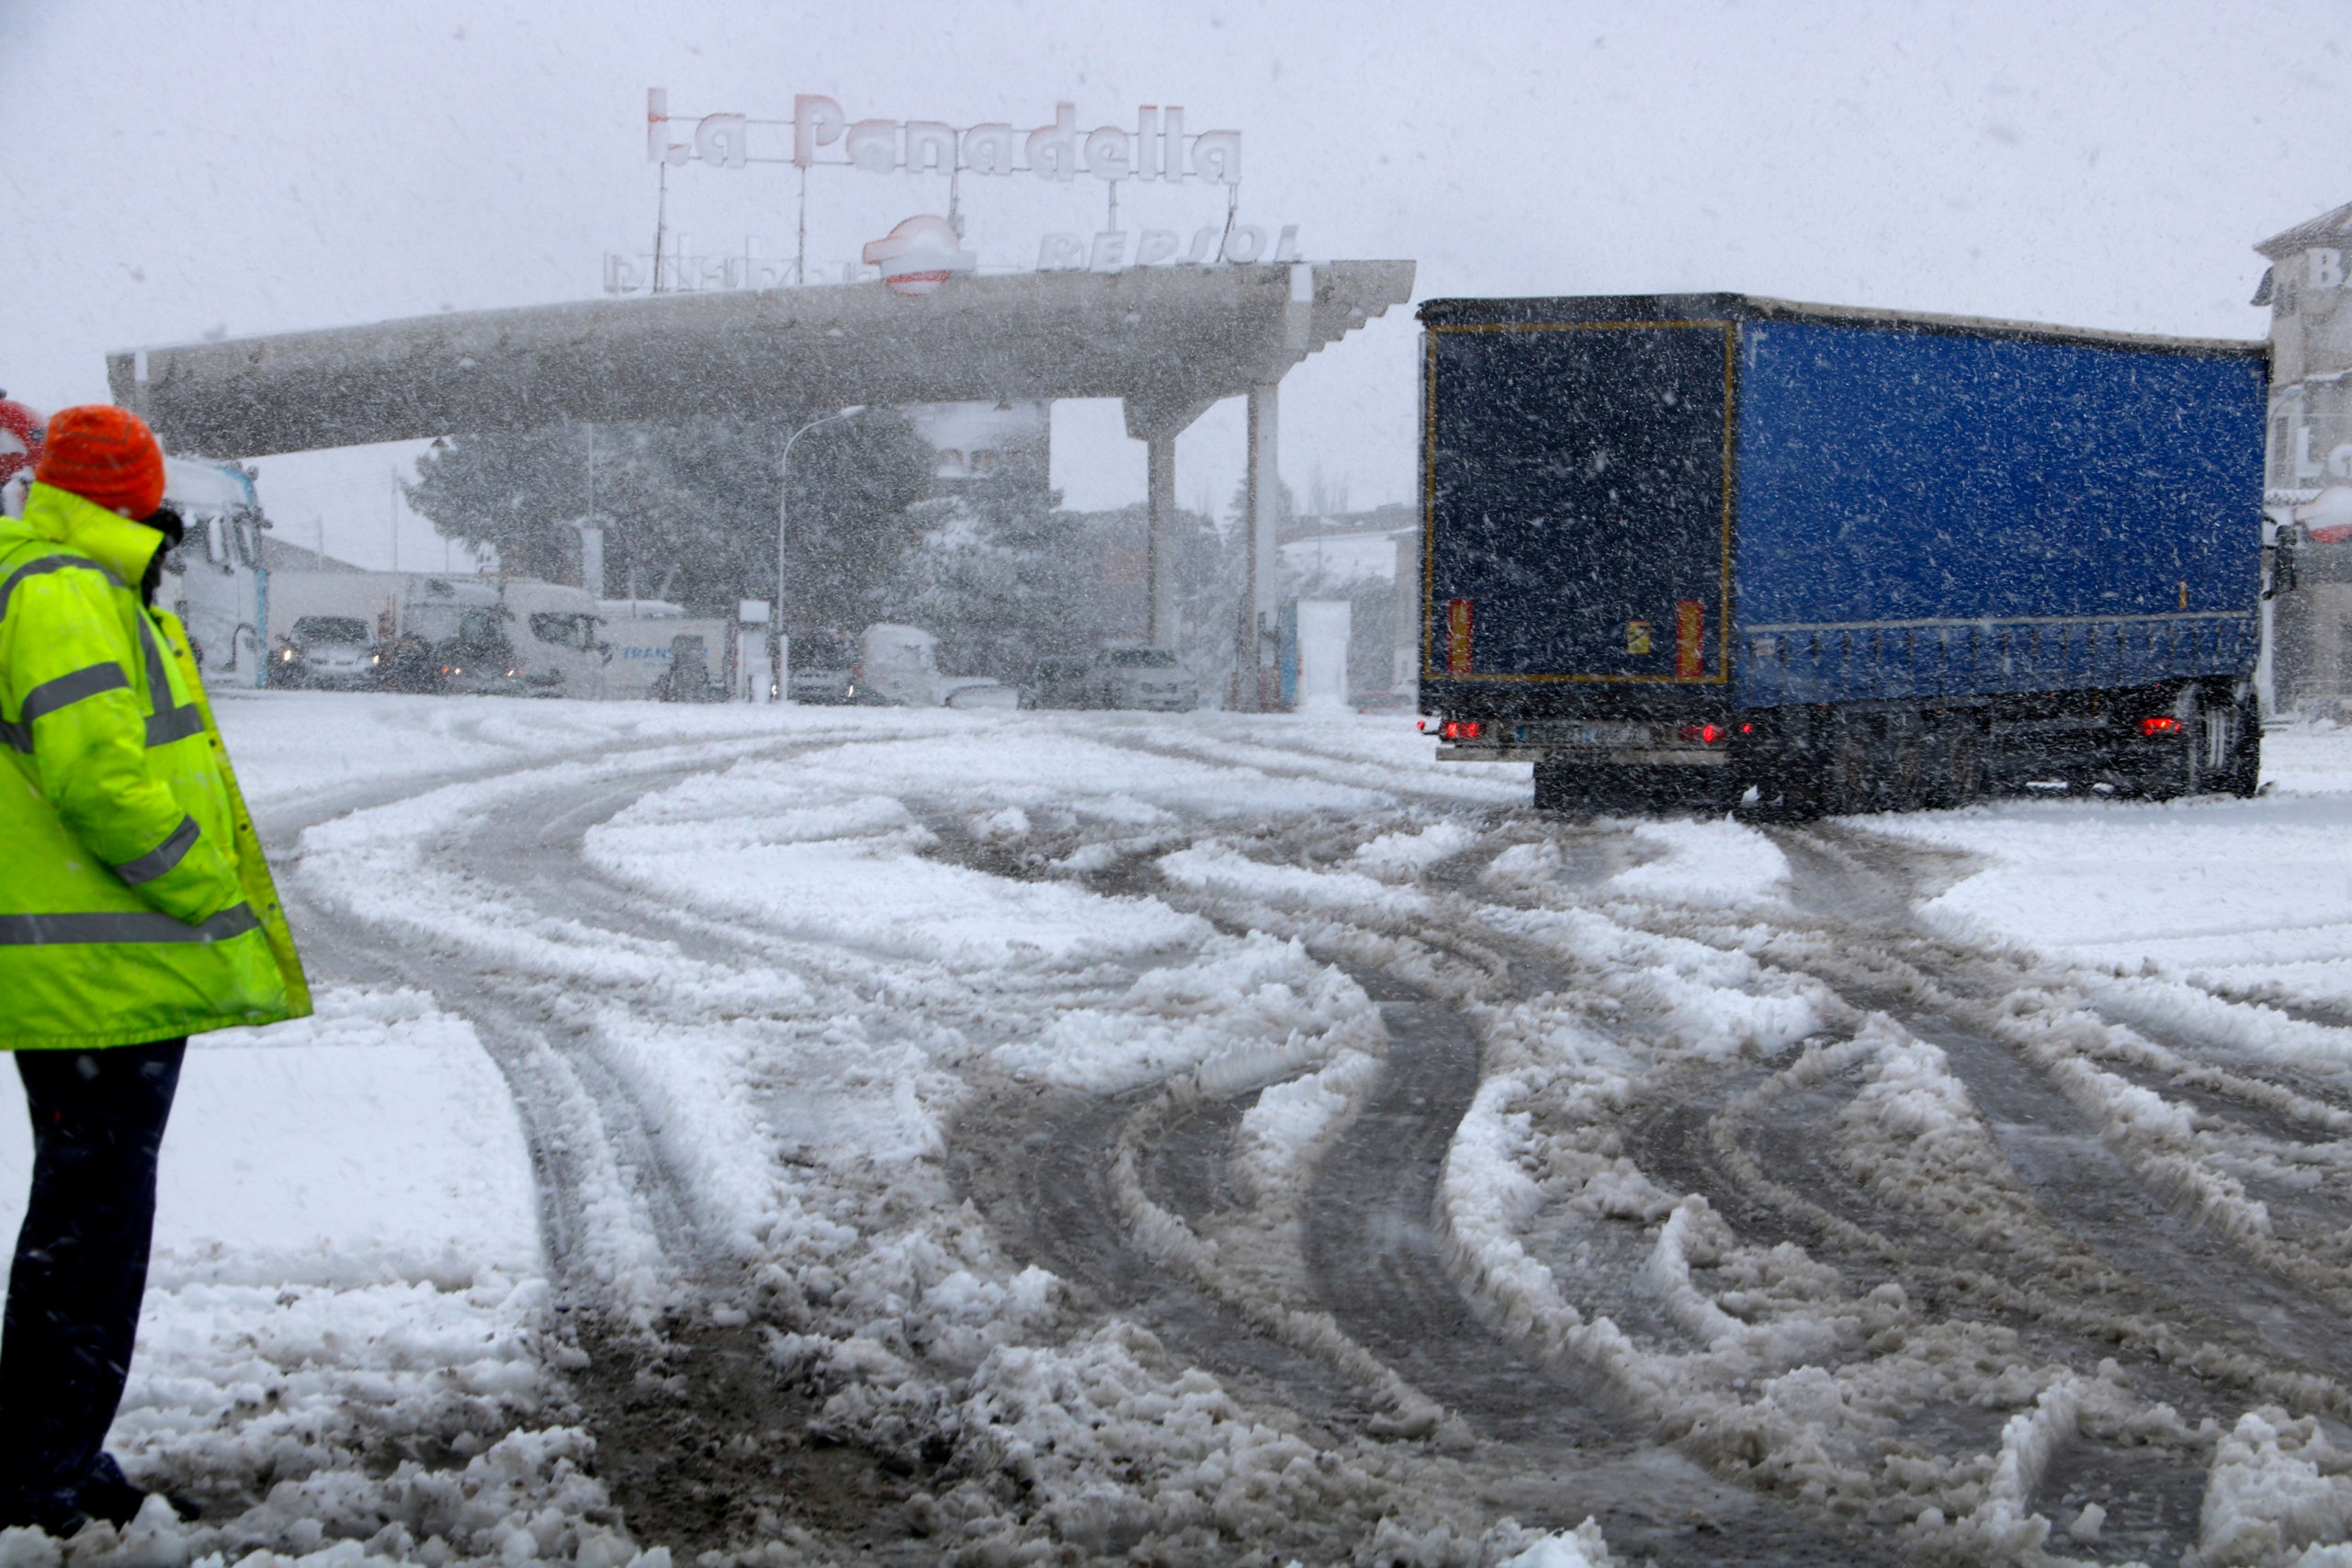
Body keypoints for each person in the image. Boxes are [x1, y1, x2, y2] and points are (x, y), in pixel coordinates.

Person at [0, 405, 311, 1533]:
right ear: (129, 493)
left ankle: (51, 1452)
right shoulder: (69, 591)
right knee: (89, 1229)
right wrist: (197, 884)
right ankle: (40, 1472)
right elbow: (96, 780)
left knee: (83, 1220)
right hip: (100, 976)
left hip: (86, 974)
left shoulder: (62, 579)